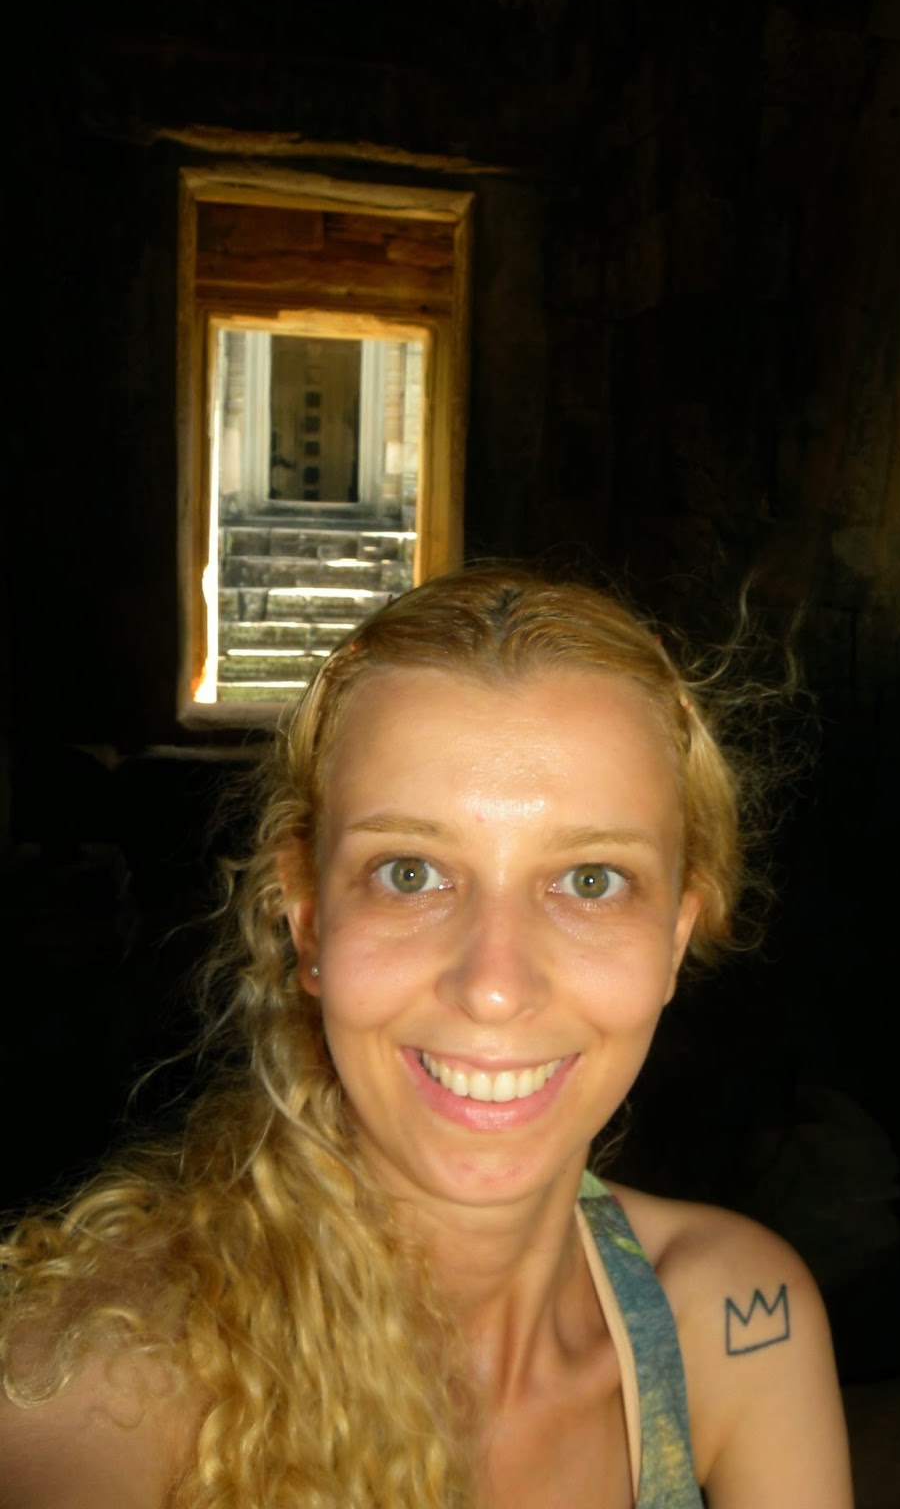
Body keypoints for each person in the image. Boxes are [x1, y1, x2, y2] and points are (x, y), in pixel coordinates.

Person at [0, 565, 853, 1509]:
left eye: (591, 880)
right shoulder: (98, 1382)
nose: (493, 985)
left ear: (675, 941)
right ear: (309, 921)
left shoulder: (739, 1322)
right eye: (410, 873)